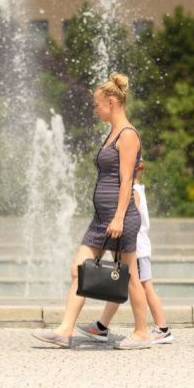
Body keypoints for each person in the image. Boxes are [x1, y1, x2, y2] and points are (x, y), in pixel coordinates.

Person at [31, 72, 152, 350]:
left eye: (97, 105)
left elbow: (126, 180)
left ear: (111, 102)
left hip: (119, 218)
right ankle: (65, 330)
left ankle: (142, 332)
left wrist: (120, 216)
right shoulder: (112, 133)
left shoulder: (128, 135)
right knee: (78, 269)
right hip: (101, 219)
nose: (95, 109)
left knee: (129, 273)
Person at [75, 160, 174, 345]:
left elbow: (131, 216)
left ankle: (162, 328)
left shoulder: (134, 191)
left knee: (144, 287)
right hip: (137, 247)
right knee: (121, 284)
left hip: (137, 248)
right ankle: (102, 326)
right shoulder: (138, 189)